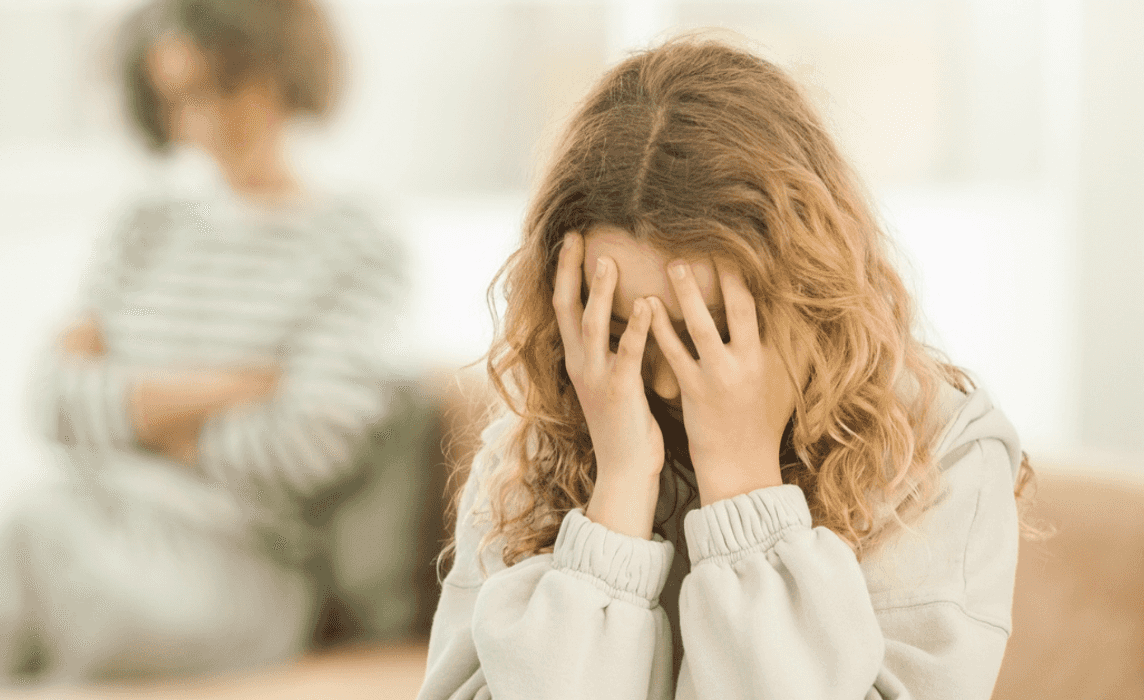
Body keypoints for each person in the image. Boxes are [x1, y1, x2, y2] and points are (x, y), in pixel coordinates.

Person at [418, 38, 1033, 700]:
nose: (658, 383)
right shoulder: (540, 441)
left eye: (704, 333)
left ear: (805, 290)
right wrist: (617, 496)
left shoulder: (942, 452)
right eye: (619, 332)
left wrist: (743, 489)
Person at [0, 1, 411, 697]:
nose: (202, 121)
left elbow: (310, 444)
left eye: (224, 87)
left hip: (242, 569)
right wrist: (235, 388)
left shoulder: (357, 245)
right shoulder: (144, 227)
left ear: (284, 70)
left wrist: (127, 411)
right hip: (100, 527)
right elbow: (51, 402)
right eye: (178, 99)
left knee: (20, 544)